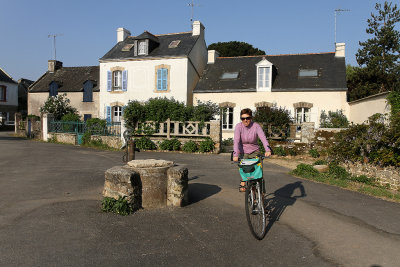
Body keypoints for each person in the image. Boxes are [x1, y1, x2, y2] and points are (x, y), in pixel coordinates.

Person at [233, 108, 271, 191]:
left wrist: (267, 150)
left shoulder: (256, 126)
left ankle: (260, 192)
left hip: (255, 151)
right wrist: (235, 154)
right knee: (245, 170)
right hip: (243, 152)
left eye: (248, 118)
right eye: (243, 118)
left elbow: (263, 138)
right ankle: (244, 181)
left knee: (257, 173)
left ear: (251, 118)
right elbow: (236, 141)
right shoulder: (238, 127)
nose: (245, 120)